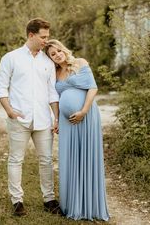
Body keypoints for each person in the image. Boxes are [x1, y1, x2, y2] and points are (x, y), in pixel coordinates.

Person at [0, 18, 61, 216]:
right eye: (43, 37)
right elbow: (1, 87)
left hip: (43, 120)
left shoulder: (47, 61)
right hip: (19, 119)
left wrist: (57, 118)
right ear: (31, 35)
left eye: (47, 37)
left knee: (46, 160)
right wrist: (10, 111)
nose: (46, 41)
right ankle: (17, 201)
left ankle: (49, 199)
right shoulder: (11, 58)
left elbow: (52, 92)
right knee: (16, 159)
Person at [45, 39, 110, 221]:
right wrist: (57, 119)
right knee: (70, 159)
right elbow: (54, 98)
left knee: (87, 157)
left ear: (63, 49)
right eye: (52, 54)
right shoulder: (55, 73)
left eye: (58, 50)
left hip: (87, 116)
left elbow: (93, 88)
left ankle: (90, 206)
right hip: (67, 123)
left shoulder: (80, 63)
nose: (57, 54)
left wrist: (83, 111)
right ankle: (73, 204)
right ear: (50, 58)